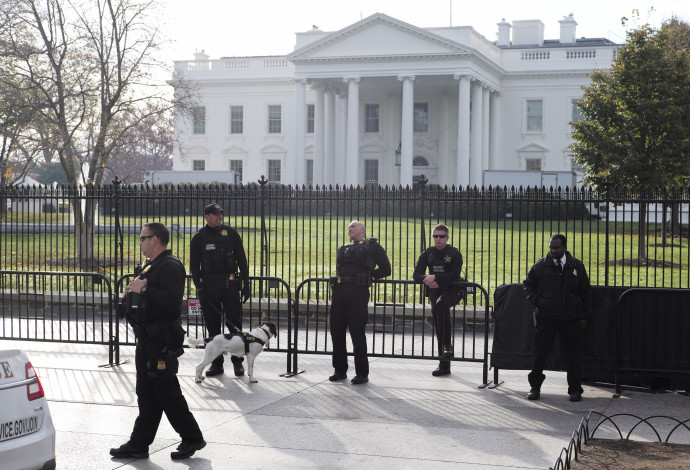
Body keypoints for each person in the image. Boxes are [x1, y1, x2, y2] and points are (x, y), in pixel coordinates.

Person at [111, 223, 206, 460]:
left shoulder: (171, 266)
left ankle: (192, 437)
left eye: (143, 238)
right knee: (147, 394)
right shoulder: (153, 266)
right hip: (147, 339)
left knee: (167, 393)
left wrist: (144, 290)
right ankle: (139, 444)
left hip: (160, 340)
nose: (140, 242)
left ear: (155, 240)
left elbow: (172, 301)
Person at [523, 233, 592, 402]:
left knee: (573, 356)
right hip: (547, 317)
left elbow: (585, 292)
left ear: (564, 248)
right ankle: (535, 387)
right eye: (551, 248)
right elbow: (528, 285)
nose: (553, 251)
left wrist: (584, 315)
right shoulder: (540, 266)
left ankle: (575, 390)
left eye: (557, 248)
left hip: (570, 317)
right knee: (540, 354)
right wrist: (538, 301)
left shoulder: (576, 266)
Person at [190, 203, 250, 378]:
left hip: (230, 286)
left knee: (234, 326)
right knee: (213, 328)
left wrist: (246, 284)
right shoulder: (199, 238)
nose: (220, 217)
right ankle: (216, 365)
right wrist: (199, 287)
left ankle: (238, 364)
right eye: (216, 215)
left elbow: (242, 260)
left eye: (221, 214)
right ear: (207, 216)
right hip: (209, 287)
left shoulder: (231, 234)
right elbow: (194, 266)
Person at [329, 220, 391, 385]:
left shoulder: (372, 247)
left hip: (358, 292)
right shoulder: (344, 247)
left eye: (353, 226)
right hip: (340, 291)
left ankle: (362, 373)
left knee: (357, 332)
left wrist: (369, 277)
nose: (349, 229)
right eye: (348, 227)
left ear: (362, 229)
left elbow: (386, 269)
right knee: (336, 330)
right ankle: (340, 370)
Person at [413, 224, 463, 377]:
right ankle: (444, 364)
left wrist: (436, 278)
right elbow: (416, 274)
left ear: (447, 238)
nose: (438, 239)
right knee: (439, 323)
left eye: (441, 236)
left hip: (452, 289)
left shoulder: (454, 253)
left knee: (442, 306)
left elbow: (455, 274)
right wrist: (426, 279)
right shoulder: (427, 253)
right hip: (434, 289)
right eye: (435, 236)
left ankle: (448, 346)